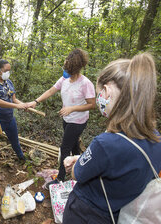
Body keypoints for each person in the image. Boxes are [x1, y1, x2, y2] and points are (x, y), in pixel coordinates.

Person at [62, 52, 161, 223]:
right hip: (116, 215)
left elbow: (77, 174)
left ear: (106, 91)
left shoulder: (105, 143)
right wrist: (84, 158)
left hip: (85, 214)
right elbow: (120, 166)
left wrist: (76, 163)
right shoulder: (156, 139)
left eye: (99, 92)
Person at [28, 48, 96, 188]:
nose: (64, 70)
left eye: (67, 67)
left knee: (65, 148)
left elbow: (92, 105)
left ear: (75, 68)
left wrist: (72, 108)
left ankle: (60, 178)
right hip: (67, 119)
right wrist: (36, 101)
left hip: (78, 121)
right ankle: (78, 171)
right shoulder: (65, 78)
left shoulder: (85, 83)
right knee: (75, 145)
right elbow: (51, 90)